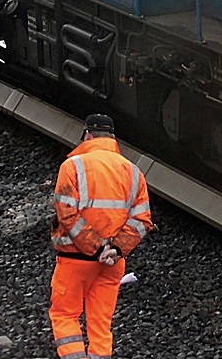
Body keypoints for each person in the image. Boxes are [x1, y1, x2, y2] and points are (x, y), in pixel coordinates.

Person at [49, 113, 156, 359]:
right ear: (113, 138)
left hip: (77, 261)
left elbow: (67, 213)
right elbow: (142, 221)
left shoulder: (72, 166)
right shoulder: (133, 172)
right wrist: (115, 250)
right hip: (113, 264)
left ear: (87, 135)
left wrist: (96, 248)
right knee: (101, 324)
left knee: (65, 315)